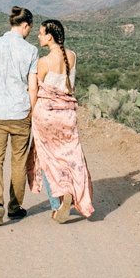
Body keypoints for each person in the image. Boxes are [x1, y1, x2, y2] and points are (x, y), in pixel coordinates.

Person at [26, 19, 94, 222]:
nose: (38, 36)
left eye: (40, 33)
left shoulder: (43, 62)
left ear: (49, 36)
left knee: (48, 160)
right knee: (71, 157)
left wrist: (30, 114)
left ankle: (57, 205)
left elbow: (34, 91)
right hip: (68, 116)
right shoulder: (72, 56)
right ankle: (73, 191)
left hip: (46, 115)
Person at [0, 5, 39, 226]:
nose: (29, 32)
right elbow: (32, 87)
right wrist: (31, 111)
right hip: (20, 112)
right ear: (25, 25)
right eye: (29, 29)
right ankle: (14, 207)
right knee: (19, 161)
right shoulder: (31, 51)